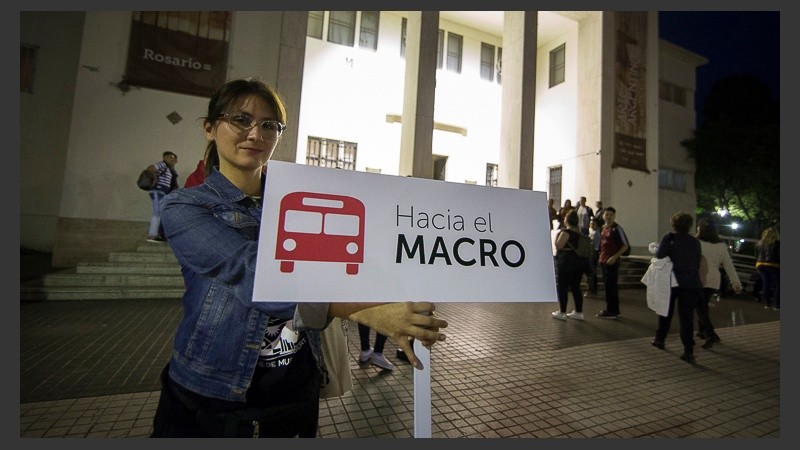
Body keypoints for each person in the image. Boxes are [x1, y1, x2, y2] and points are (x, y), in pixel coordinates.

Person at [150, 77, 447, 438]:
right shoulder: (184, 206)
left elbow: (357, 258)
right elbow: (252, 273)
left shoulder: (298, 199)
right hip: (214, 392)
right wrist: (370, 312)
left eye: (269, 125)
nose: (255, 134)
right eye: (241, 120)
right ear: (211, 128)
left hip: (296, 387)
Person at [650, 212, 703, 364]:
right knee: (686, 317)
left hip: (671, 281)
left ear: (674, 224)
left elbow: (660, 256)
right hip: (691, 283)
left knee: (665, 311)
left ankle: (660, 339)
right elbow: (697, 263)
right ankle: (688, 350)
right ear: (689, 225)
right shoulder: (695, 242)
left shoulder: (669, 238)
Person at [695, 218, 742, 349]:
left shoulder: (697, 242)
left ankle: (711, 334)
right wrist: (736, 283)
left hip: (700, 277)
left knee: (699, 306)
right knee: (703, 305)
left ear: (700, 229)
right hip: (714, 279)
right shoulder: (721, 246)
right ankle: (701, 331)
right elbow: (728, 266)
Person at [552, 210, 586, 321]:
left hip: (566, 262)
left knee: (563, 287)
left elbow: (559, 246)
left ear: (567, 219)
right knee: (576, 287)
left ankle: (562, 312)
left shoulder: (566, 232)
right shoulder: (579, 233)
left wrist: (556, 238)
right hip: (578, 262)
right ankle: (579, 312)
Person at [596, 206, 629, 319]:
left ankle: (613, 311)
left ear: (614, 216)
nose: (608, 216)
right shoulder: (603, 228)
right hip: (603, 261)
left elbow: (625, 245)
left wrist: (614, 257)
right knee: (608, 286)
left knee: (611, 286)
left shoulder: (616, 229)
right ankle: (611, 309)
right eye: (607, 214)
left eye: (611, 214)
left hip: (612, 262)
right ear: (603, 216)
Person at [145, 151, 178, 243]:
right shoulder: (162, 164)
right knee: (158, 213)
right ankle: (152, 235)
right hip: (158, 191)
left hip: (163, 193)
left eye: (173, 158)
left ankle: (160, 235)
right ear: (164, 158)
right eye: (170, 157)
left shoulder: (169, 168)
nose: (172, 159)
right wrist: (154, 177)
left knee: (162, 213)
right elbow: (151, 168)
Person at [755, 226, 780, 310]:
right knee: (778, 285)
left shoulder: (759, 243)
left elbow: (756, 254)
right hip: (773, 265)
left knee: (766, 284)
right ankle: (777, 305)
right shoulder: (777, 243)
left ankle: (767, 304)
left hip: (760, 264)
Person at [584, 217, 602, 297]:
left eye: (593, 224)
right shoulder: (592, 232)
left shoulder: (596, 233)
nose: (591, 225)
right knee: (591, 272)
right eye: (590, 224)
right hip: (592, 252)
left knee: (591, 272)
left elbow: (592, 244)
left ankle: (592, 289)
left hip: (593, 253)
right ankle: (592, 289)